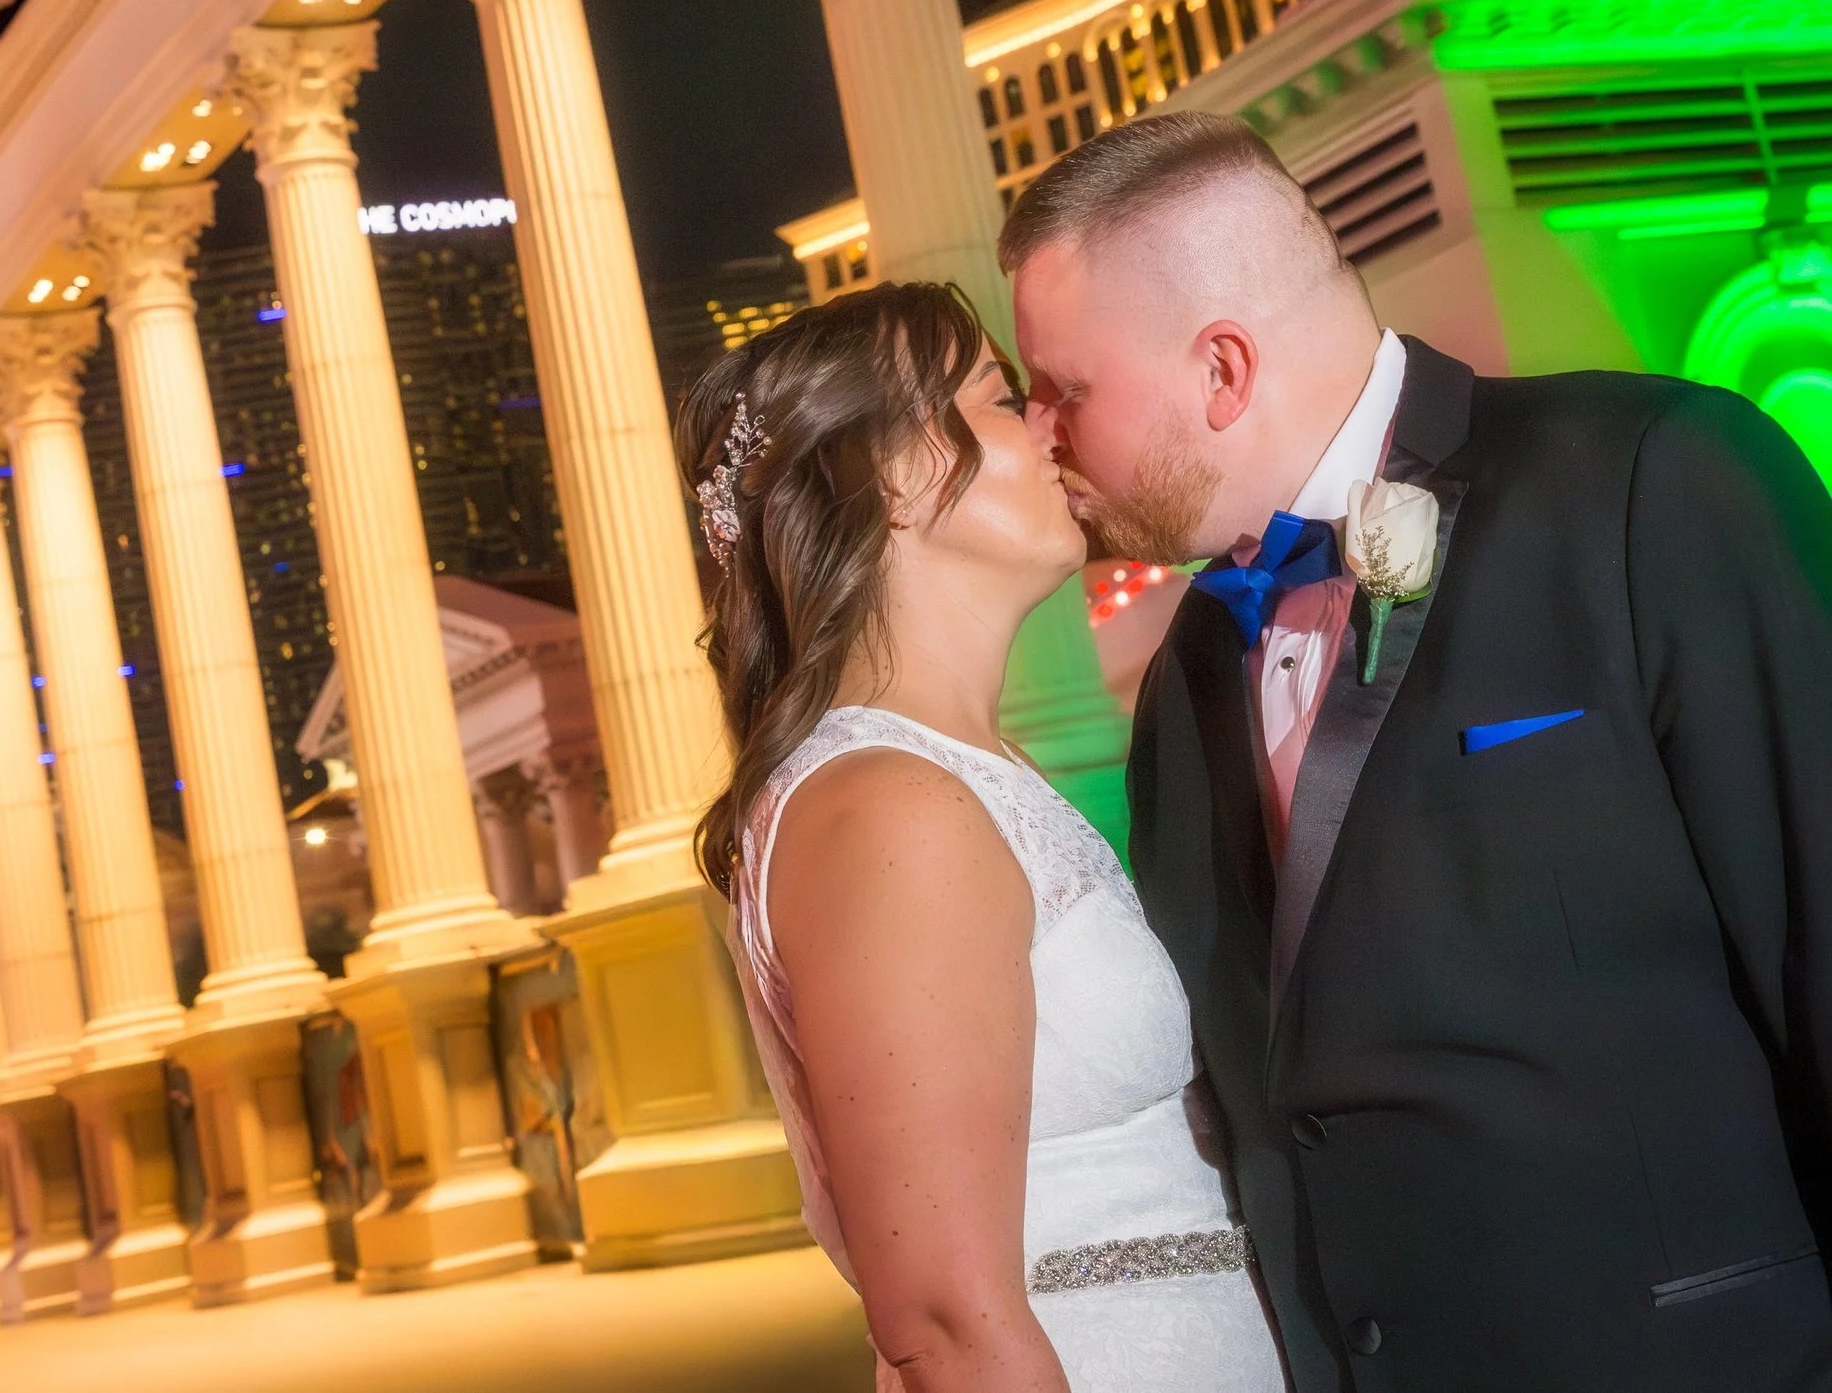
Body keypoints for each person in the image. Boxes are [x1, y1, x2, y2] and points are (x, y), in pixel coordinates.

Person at [1007, 111, 1832, 1391]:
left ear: (1221, 368)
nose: (1040, 435)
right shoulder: (1182, 670)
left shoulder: (1649, 482)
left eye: (1065, 389)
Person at [681, 281, 1283, 1392]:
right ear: (898, 476)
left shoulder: (956, 772)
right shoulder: (888, 810)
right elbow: (944, 1319)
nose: (1051, 422)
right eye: (1003, 397)